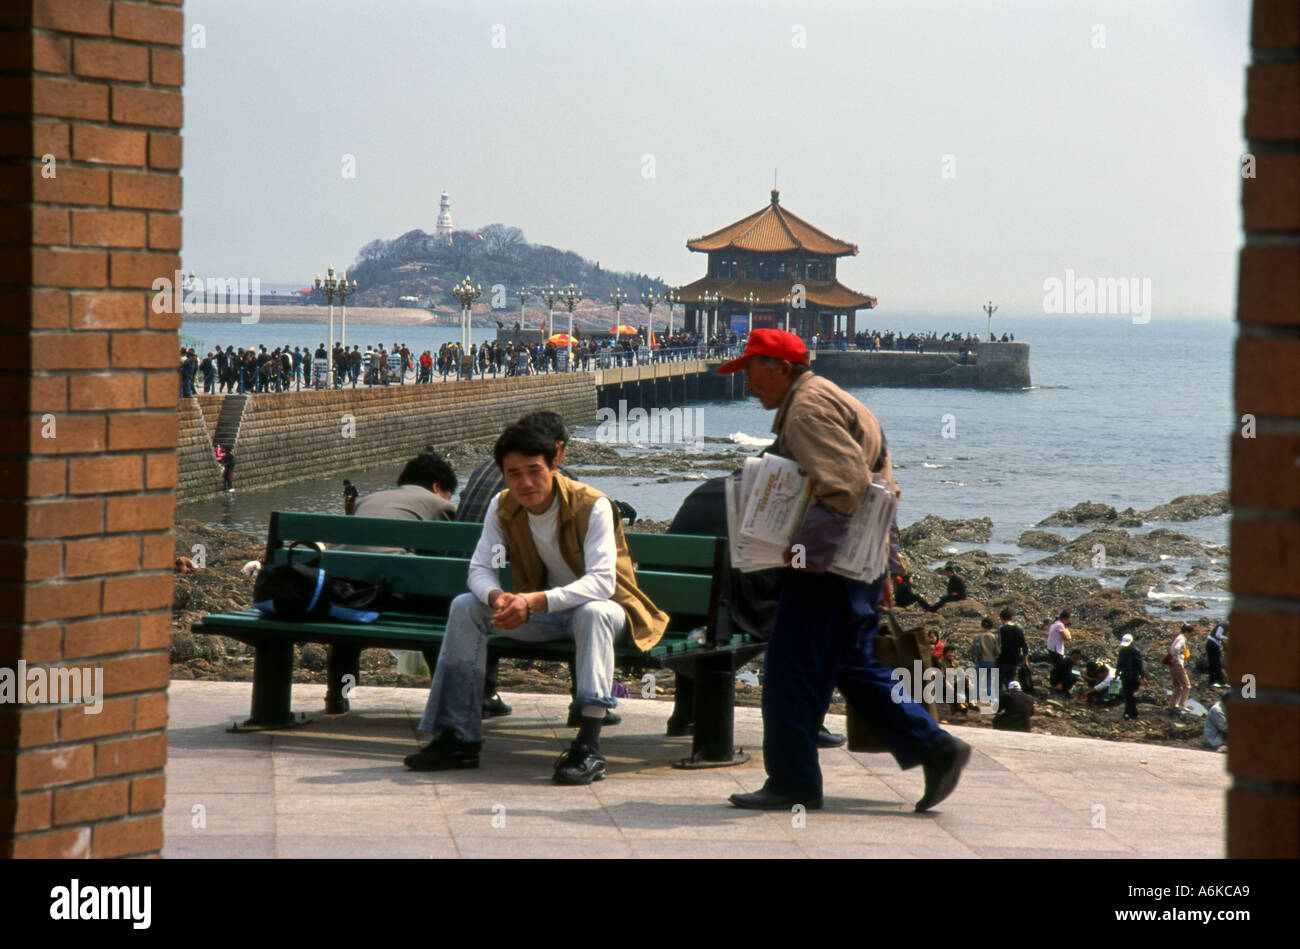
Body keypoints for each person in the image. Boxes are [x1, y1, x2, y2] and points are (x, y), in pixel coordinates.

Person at [715, 328, 970, 813]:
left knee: (789, 670)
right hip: (859, 567)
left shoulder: (808, 410)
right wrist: (888, 569)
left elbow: (847, 486)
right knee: (852, 666)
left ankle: (793, 782)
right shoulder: (833, 398)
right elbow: (882, 484)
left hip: (828, 570)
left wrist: (803, 558)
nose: (747, 382)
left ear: (781, 369)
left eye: (751, 371)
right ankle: (934, 746)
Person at [405, 423, 668, 785]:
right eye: (514, 473)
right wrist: (499, 598)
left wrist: (534, 600)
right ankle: (458, 737)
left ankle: (589, 745)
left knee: (593, 612)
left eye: (535, 471)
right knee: (466, 606)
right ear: (504, 474)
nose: (525, 483)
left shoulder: (593, 506)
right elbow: (481, 568)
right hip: (542, 614)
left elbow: (602, 583)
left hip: (609, 613)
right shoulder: (503, 505)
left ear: (553, 466)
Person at [1115, 633, 1149, 720]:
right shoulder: (1122, 652)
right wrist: (1116, 675)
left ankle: (1127, 713)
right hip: (1125, 676)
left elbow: (1139, 665)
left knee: (1129, 695)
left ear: (1131, 643)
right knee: (1128, 695)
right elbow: (1119, 664)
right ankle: (1134, 714)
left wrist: (1143, 677)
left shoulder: (1135, 652)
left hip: (1133, 677)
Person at [996, 607, 1027, 694]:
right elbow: (1024, 645)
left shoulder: (1001, 628)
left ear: (1001, 618)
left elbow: (999, 644)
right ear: (1011, 617)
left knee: (999, 681)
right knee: (1010, 681)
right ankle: (1011, 698)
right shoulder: (1018, 629)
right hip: (1015, 660)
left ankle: (1000, 700)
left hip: (1003, 659)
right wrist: (1025, 659)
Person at [973, 616, 999, 702]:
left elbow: (973, 650)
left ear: (982, 625)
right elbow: (998, 651)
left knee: (978, 681)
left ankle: (976, 698)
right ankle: (992, 698)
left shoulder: (977, 637)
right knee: (989, 682)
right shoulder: (994, 637)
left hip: (981, 661)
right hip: (992, 662)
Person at [1046, 610, 1073, 688]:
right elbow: (1066, 637)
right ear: (1066, 619)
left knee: (1057, 667)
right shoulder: (1060, 625)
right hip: (1056, 649)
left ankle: (1055, 683)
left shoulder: (1055, 623)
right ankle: (1057, 684)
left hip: (1051, 648)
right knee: (1060, 668)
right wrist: (1067, 629)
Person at [1168, 623, 1192, 712]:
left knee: (1178, 686)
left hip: (1172, 664)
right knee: (1187, 686)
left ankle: (1172, 704)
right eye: (1190, 633)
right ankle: (1183, 705)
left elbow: (1172, 649)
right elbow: (1175, 649)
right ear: (1186, 632)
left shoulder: (1178, 637)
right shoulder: (1182, 639)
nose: (1190, 635)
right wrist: (1178, 656)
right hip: (1177, 664)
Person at [1206, 621, 1228, 687]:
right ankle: (1212, 681)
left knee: (1217, 663)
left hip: (1215, 645)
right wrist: (1227, 638)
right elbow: (1218, 635)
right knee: (1213, 663)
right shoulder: (1223, 625)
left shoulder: (1227, 626)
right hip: (1211, 644)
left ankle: (1221, 681)